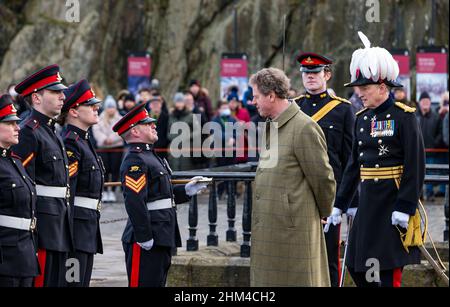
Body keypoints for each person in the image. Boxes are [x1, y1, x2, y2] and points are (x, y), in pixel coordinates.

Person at [330, 32, 425, 287]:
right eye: (358, 88)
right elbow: (353, 166)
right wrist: (340, 204)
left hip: (391, 202)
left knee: (385, 272)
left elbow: (415, 167)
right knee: (355, 265)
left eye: (364, 88)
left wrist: (405, 207)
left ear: (383, 88)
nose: (359, 93)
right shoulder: (362, 118)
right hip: (368, 203)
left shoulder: (404, 117)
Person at [249, 67, 336, 287]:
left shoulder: (304, 127)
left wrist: (324, 211)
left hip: (293, 230)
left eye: (256, 96)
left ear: (271, 95)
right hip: (273, 229)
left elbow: (322, 178)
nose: (253, 101)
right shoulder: (272, 125)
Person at [112, 102, 208, 287]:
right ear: (135, 132)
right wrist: (143, 235)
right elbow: (135, 201)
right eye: (147, 124)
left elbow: (161, 195)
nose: (154, 125)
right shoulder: (135, 159)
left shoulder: (152, 157)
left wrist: (186, 190)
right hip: (149, 236)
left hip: (163, 234)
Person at [294, 52, 357, 287]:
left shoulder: (342, 110)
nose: (310, 77)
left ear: (326, 75)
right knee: (298, 253)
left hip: (328, 194)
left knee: (329, 255)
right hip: (298, 193)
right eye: (306, 73)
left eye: (315, 73)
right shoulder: (294, 108)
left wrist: (348, 200)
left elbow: (350, 158)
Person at [11, 65, 73, 287]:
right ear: (36, 97)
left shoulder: (50, 131)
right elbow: (22, 182)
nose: (62, 97)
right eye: (56, 93)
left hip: (59, 223)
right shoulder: (28, 131)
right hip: (43, 227)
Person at [58, 80, 104, 287]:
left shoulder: (84, 141)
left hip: (87, 228)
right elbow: (70, 192)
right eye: (90, 105)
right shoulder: (70, 143)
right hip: (75, 230)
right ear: (74, 111)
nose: (96, 108)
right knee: (73, 283)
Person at [0, 94, 39, 287]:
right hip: (5, 259)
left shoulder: (14, 160)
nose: (18, 127)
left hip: (25, 253)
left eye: (17, 122)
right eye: (10, 123)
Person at [92, 95, 124, 203]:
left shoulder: (120, 118)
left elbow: (121, 131)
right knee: (104, 170)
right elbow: (96, 130)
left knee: (115, 170)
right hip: (103, 148)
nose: (111, 109)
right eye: (109, 107)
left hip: (116, 147)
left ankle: (113, 191)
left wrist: (112, 139)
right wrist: (104, 139)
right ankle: (105, 190)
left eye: (113, 107)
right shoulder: (99, 118)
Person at [416, 91, 444, 200]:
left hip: (432, 151)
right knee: (418, 174)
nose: (425, 103)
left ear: (430, 102)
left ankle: (430, 194)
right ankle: (419, 195)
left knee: (431, 173)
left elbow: (440, 133)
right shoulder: (414, 116)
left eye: (427, 101)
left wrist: (434, 144)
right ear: (419, 103)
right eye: (423, 101)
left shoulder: (436, 117)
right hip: (418, 151)